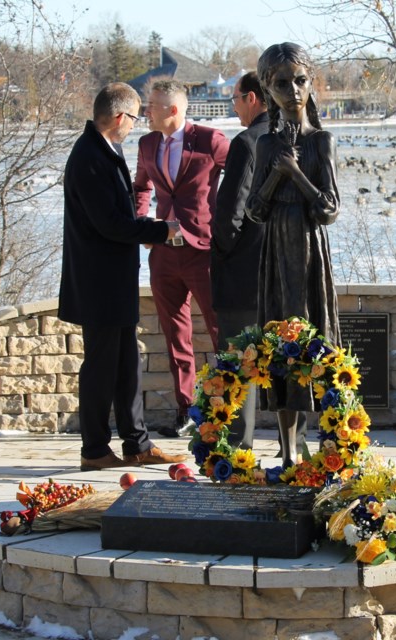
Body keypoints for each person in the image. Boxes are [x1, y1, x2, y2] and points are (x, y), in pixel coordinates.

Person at [58, 82, 186, 471]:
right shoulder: (90, 157)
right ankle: (94, 449)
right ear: (118, 117)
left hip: (114, 278)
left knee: (126, 362)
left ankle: (137, 443)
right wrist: (161, 230)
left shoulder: (105, 150)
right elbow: (110, 224)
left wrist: (148, 229)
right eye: (134, 117)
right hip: (98, 281)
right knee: (100, 367)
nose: (136, 124)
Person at [246, 42, 340, 468]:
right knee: (280, 343)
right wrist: (274, 175)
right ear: (268, 89)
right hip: (274, 254)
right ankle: (286, 453)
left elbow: (329, 208)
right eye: (282, 83)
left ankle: (334, 447)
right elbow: (255, 209)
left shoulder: (321, 141)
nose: (293, 90)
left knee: (318, 339)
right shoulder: (264, 145)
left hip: (309, 250)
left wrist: (296, 174)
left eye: (300, 80)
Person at [133, 79, 229, 438]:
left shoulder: (210, 140)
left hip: (203, 251)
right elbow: (141, 187)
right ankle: (186, 410)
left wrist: (226, 224)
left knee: (219, 330)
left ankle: (224, 410)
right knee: (176, 335)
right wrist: (143, 225)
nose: (146, 111)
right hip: (163, 255)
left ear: (173, 110)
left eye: (152, 105)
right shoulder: (147, 144)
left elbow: (242, 178)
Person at [210, 72, 268, 448]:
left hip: (243, 275)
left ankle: (237, 455)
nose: (233, 107)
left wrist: (221, 250)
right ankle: (290, 448)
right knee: (281, 363)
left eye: (234, 99)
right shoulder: (294, 138)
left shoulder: (247, 143)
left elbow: (229, 212)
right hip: (281, 273)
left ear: (251, 98)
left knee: (240, 368)